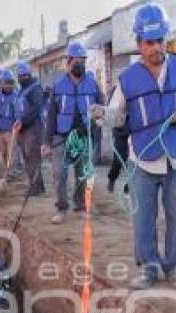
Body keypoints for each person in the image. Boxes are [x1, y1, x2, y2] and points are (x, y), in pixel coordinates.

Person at [92, 3, 176, 289]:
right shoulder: (127, 79)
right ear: (139, 44)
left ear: (166, 39)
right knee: (143, 217)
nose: (156, 47)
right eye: (149, 42)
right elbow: (117, 115)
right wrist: (102, 115)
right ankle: (149, 268)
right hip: (142, 159)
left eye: (160, 40)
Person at [43, 42, 105, 224]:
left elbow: (103, 108)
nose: (80, 65)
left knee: (83, 174)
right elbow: (51, 115)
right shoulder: (58, 85)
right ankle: (61, 208)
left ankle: (81, 204)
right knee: (59, 173)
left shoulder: (93, 84)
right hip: (61, 137)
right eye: (77, 61)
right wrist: (46, 142)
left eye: (83, 61)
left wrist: (99, 119)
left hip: (84, 136)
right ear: (68, 62)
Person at [13, 61, 46, 196]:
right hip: (23, 129)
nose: (23, 78)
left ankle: (35, 188)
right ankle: (38, 186)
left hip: (34, 128)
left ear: (29, 75)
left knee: (32, 158)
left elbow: (35, 109)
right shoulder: (21, 90)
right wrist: (18, 121)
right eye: (21, 76)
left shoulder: (35, 88)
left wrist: (23, 122)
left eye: (25, 75)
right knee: (28, 158)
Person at [0, 69, 19, 181]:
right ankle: (5, 171)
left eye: (11, 83)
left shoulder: (15, 96)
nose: (9, 85)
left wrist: (17, 122)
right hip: (0, 129)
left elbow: (17, 112)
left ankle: (11, 173)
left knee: (12, 153)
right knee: (4, 153)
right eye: (7, 83)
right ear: (1, 83)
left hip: (11, 129)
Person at [106, 86, 130, 194]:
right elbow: (110, 112)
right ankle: (112, 178)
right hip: (120, 131)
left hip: (135, 132)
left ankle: (129, 185)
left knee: (133, 161)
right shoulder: (117, 91)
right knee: (119, 159)